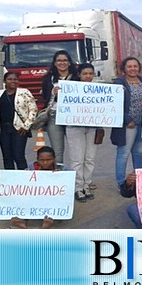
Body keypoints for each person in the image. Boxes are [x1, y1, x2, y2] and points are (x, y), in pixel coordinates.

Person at [110, 57, 142, 188]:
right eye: (129, 66)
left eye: (135, 66)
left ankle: (139, 180)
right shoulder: (119, 83)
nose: (133, 69)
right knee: (123, 153)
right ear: (124, 69)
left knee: (138, 152)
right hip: (128, 125)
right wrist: (127, 119)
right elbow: (113, 105)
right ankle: (122, 182)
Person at [67, 63, 100, 202]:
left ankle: (87, 185)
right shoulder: (70, 89)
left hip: (92, 127)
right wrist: (56, 92)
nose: (88, 76)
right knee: (77, 159)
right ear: (79, 74)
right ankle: (77, 187)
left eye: (90, 74)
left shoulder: (100, 89)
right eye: (85, 74)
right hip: (75, 127)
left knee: (90, 158)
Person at [41, 50, 79, 167]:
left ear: (69, 63)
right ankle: (59, 178)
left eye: (64, 60)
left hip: (73, 117)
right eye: (59, 60)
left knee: (76, 151)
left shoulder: (77, 78)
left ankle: (79, 179)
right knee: (57, 151)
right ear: (55, 63)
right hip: (54, 116)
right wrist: (53, 93)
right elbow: (44, 98)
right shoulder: (48, 79)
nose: (62, 63)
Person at [0, 71, 38, 170]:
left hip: (20, 128)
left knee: (18, 155)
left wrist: (26, 126)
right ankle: (9, 181)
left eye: (15, 79)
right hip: (3, 129)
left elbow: (33, 109)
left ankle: (23, 179)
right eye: (10, 79)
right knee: (7, 157)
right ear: (4, 81)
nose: (13, 81)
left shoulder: (24, 92)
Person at [9, 146, 58, 229]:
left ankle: (49, 219)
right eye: (42, 160)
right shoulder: (31, 167)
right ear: (37, 159)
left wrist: (59, 176)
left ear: (54, 159)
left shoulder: (63, 169)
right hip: (36, 198)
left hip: (51, 199)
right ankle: (22, 219)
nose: (45, 163)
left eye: (48, 160)